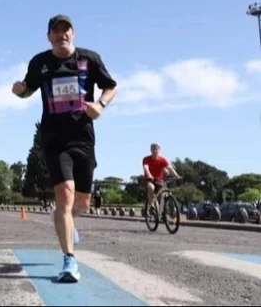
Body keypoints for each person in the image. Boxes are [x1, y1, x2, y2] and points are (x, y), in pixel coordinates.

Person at [11, 14, 117, 283]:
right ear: (49, 36)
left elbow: (110, 87)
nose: (61, 35)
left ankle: (65, 220)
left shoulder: (89, 59)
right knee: (65, 195)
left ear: (73, 33)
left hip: (83, 137)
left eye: (65, 30)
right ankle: (69, 259)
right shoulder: (40, 62)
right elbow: (28, 89)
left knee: (81, 203)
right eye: (56, 31)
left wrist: (100, 105)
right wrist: (20, 90)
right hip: (54, 139)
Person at [142, 143, 181, 210]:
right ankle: (151, 204)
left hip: (159, 180)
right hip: (149, 179)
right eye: (153, 149)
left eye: (156, 149)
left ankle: (166, 209)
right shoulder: (146, 159)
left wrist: (177, 175)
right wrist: (149, 175)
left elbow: (170, 168)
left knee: (165, 192)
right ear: (150, 150)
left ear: (159, 150)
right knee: (151, 187)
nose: (155, 151)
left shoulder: (162, 160)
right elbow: (146, 168)